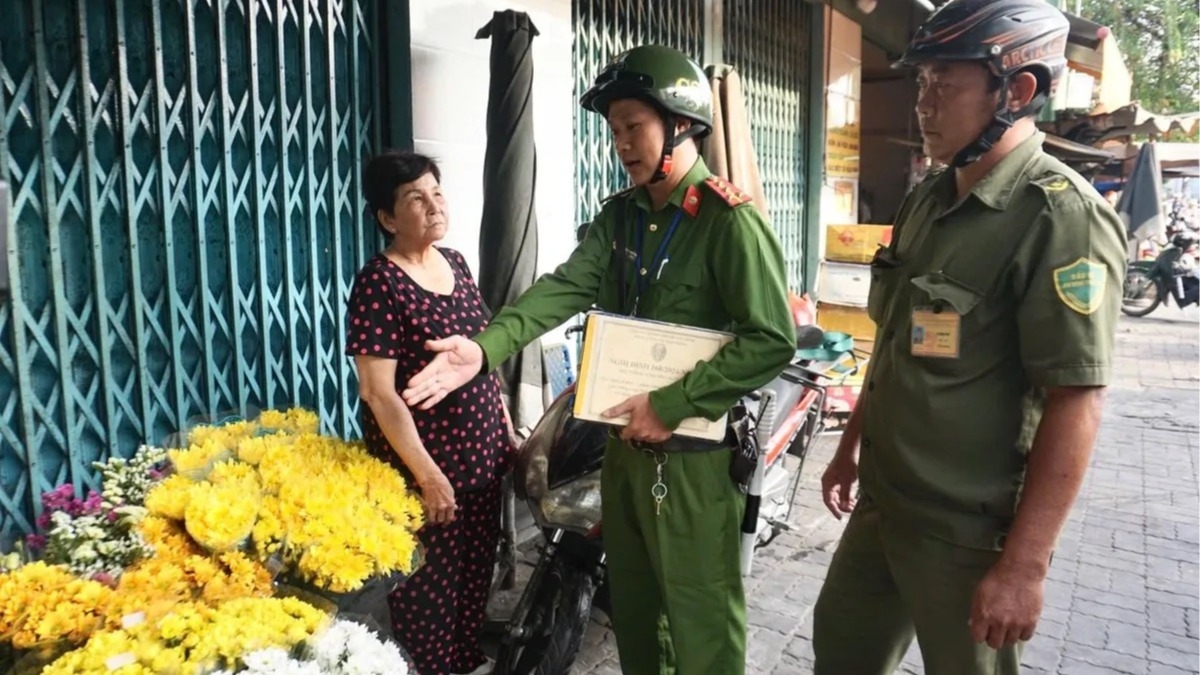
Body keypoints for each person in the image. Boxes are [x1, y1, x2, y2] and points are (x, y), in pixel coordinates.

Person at [400, 45, 796, 675]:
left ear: (682, 124)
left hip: (693, 460)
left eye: (634, 127)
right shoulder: (621, 218)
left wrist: (672, 404)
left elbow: (772, 339)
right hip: (622, 451)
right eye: (613, 131)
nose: (622, 144)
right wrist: (482, 348)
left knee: (699, 619)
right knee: (635, 609)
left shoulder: (727, 222)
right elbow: (561, 287)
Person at [812, 1, 1128, 674]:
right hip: (885, 504)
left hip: (968, 534)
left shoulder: (1059, 217)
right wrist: (849, 446)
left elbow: (1076, 400)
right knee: (840, 650)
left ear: (1017, 91)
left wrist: (1024, 567)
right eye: (921, 83)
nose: (923, 102)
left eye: (944, 84)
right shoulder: (930, 197)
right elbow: (896, 338)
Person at [346, 150, 512, 675]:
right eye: (415, 197)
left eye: (436, 191)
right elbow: (378, 393)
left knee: (471, 588)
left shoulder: (457, 263)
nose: (433, 204)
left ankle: (464, 664)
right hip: (426, 476)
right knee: (425, 603)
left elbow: (481, 357)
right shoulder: (379, 283)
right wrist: (427, 475)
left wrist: (507, 428)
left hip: (483, 464)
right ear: (388, 219)